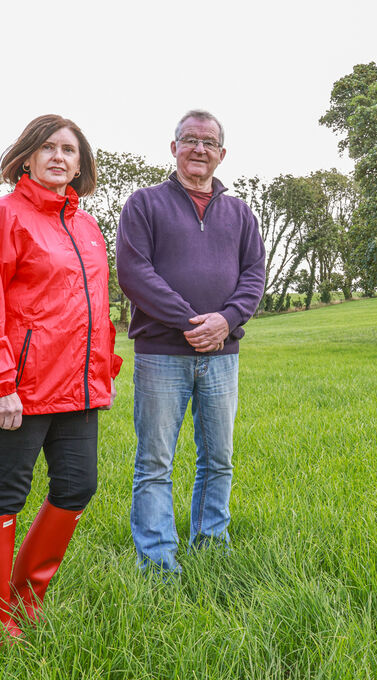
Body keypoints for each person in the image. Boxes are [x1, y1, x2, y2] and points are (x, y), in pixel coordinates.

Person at [0, 114, 121, 640]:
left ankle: (25, 603)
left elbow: (96, 309)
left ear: (81, 163)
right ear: (26, 156)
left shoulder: (88, 227)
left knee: (78, 487)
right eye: (47, 147)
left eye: (69, 150)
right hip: (19, 391)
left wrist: (102, 374)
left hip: (79, 390)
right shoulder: (1, 217)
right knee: (5, 494)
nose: (58, 157)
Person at [116, 109, 264, 575]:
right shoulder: (143, 205)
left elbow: (254, 276)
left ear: (222, 154)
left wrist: (226, 320)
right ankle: (158, 560)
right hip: (161, 354)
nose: (199, 148)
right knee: (155, 460)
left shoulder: (241, 213)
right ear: (174, 148)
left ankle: (211, 545)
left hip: (223, 355)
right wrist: (190, 321)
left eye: (208, 142)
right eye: (190, 140)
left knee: (218, 458)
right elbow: (134, 273)